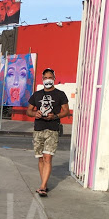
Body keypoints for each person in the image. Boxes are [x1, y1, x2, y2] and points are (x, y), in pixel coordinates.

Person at [26, 68, 69, 196]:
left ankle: (43, 186)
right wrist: (35, 113)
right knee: (40, 158)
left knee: (47, 157)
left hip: (52, 129)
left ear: (54, 78)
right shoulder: (36, 95)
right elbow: (28, 111)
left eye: (50, 77)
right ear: (42, 79)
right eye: (45, 78)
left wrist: (55, 116)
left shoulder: (60, 94)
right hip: (38, 128)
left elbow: (66, 111)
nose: (47, 80)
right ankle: (43, 183)